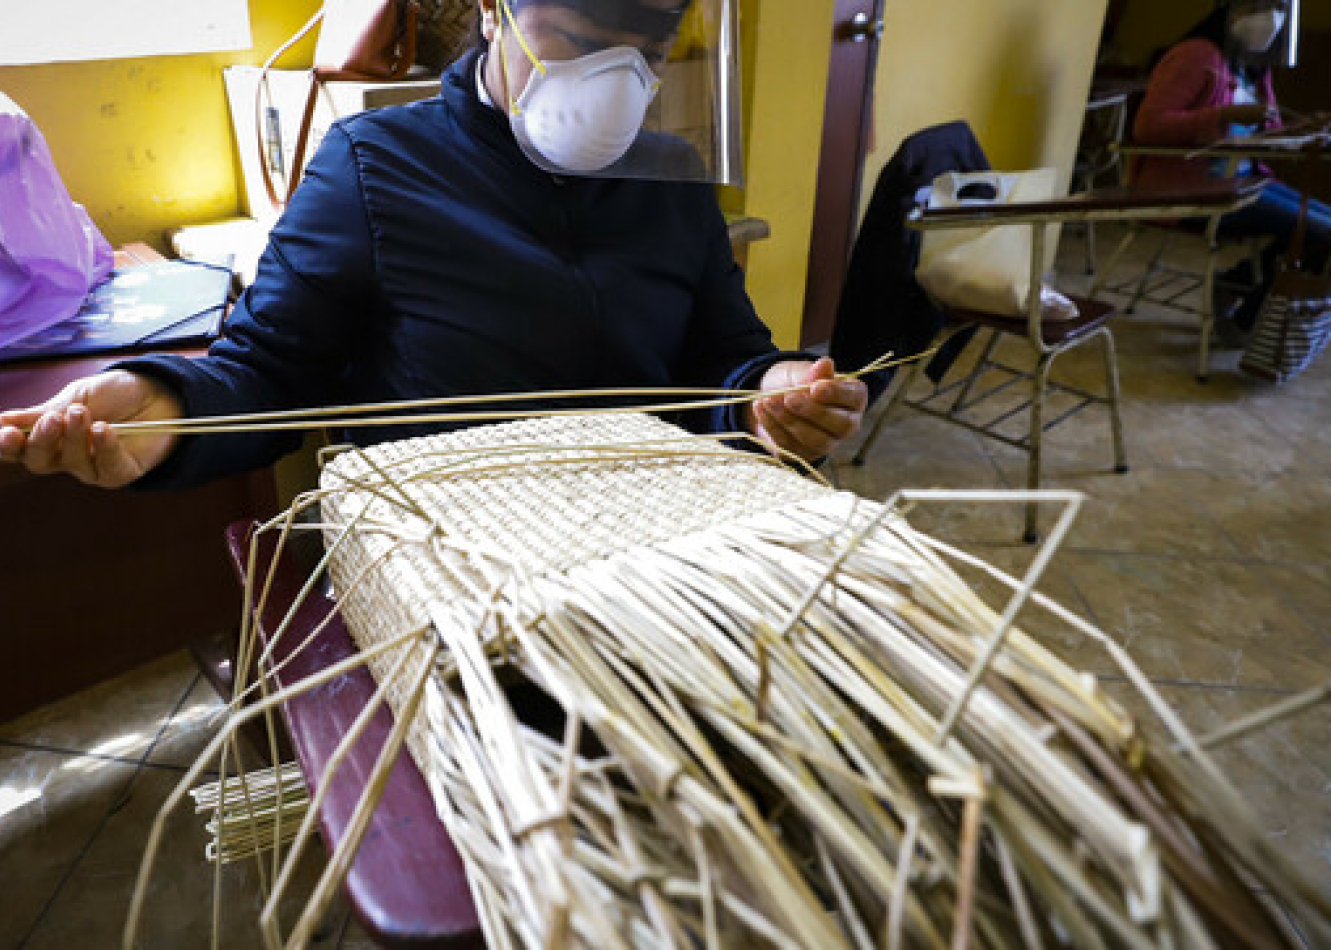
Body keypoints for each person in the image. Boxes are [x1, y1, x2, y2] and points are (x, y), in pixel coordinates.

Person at [0, 0, 867, 489]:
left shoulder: (670, 174)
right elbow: (271, 370)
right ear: (494, 11)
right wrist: (169, 410)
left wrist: (769, 394)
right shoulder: (375, 166)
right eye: (575, 44)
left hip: (651, 537)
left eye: (642, 56)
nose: (611, 85)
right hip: (459, 557)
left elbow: (722, 357)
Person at [1133, 0, 1331, 332]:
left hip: (1244, 182)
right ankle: (1246, 323)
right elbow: (1147, 126)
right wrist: (1223, 115)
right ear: (1231, 13)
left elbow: (1271, 134)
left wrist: (1305, 130)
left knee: (1322, 229)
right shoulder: (1196, 55)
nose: (1272, 19)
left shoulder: (1253, 67)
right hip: (1191, 188)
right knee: (1320, 232)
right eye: (1258, 8)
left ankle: (1233, 284)